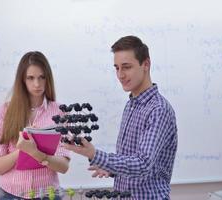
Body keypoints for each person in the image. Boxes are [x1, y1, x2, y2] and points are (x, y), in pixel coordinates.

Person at [64, 36, 178, 200]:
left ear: (146, 64)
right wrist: (111, 169)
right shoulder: (131, 104)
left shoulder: (158, 109)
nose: (120, 75)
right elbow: (132, 159)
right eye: (116, 68)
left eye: (126, 67)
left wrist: (96, 155)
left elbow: (143, 163)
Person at [0, 51, 70, 200]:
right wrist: (21, 150)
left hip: (48, 194)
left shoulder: (60, 112)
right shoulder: (4, 112)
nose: (37, 84)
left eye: (42, 77)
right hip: (11, 194)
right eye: (31, 78)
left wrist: (36, 152)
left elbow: (63, 166)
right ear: (22, 80)